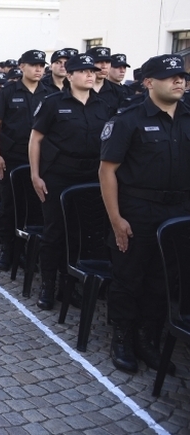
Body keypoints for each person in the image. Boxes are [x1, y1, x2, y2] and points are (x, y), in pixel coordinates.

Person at [99, 54, 190, 374]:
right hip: (138, 209)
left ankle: (146, 338)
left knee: (163, 279)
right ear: (149, 82)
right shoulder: (128, 118)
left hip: (178, 210)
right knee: (129, 276)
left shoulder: (189, 115)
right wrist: (116, 219)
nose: (179, 81)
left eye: (182, 76)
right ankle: (122, 338)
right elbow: (107, 171)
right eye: (170, 76)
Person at [29, 53, 113, 311]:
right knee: (55, 232)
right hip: (59, 175)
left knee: (81, 233)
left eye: (92, 71)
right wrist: (35, 174)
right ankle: (48, 284)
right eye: (84, 71)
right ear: (70, 75)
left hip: (90, 177)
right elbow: (35, 139)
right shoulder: (53, 103)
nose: (90, 74)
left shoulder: (103, 105)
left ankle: (70, 285)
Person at [0, 49, 54, 271]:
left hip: (40, 158)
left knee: (36, 205)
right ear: (22, 66)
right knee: (10, 204)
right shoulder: (8, 91)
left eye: (41, 66)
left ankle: (30, 251)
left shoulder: (49, 93)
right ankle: (8, 249)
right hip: (13, 155)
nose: (38, 69)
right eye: (34, 65)